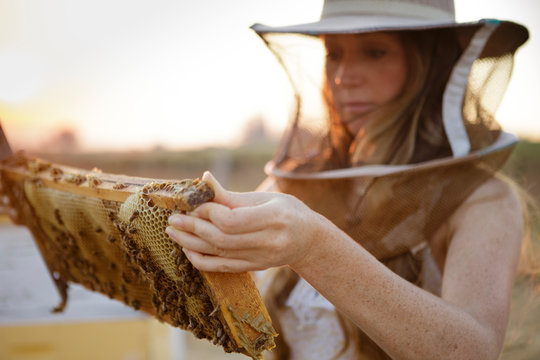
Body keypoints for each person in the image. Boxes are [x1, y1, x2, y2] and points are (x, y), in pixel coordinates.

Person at [166, 0, 529, 359]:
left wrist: (314, 246)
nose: (343, 76)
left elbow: (472, 351)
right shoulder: (299, 183)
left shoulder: (484, 201)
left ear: (429, 65)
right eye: (334, 54)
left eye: (375, 52)